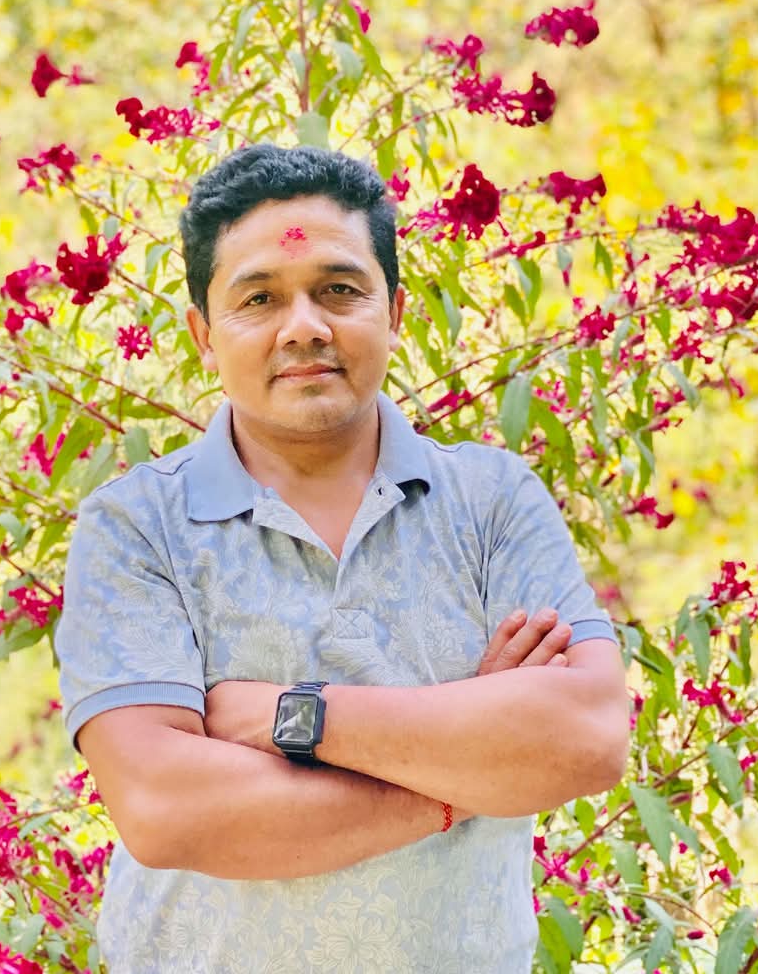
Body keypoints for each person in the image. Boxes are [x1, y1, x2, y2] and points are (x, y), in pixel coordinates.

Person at [54, 144, 629, 973]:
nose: (305, 327)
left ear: (394, 310)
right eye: (259, 298)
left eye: (339, 290)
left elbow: (588, 737)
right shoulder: (137, 527)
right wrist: (469, 772)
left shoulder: (492, 501)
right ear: (204, 334)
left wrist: (290, 717)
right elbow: (165, 807)